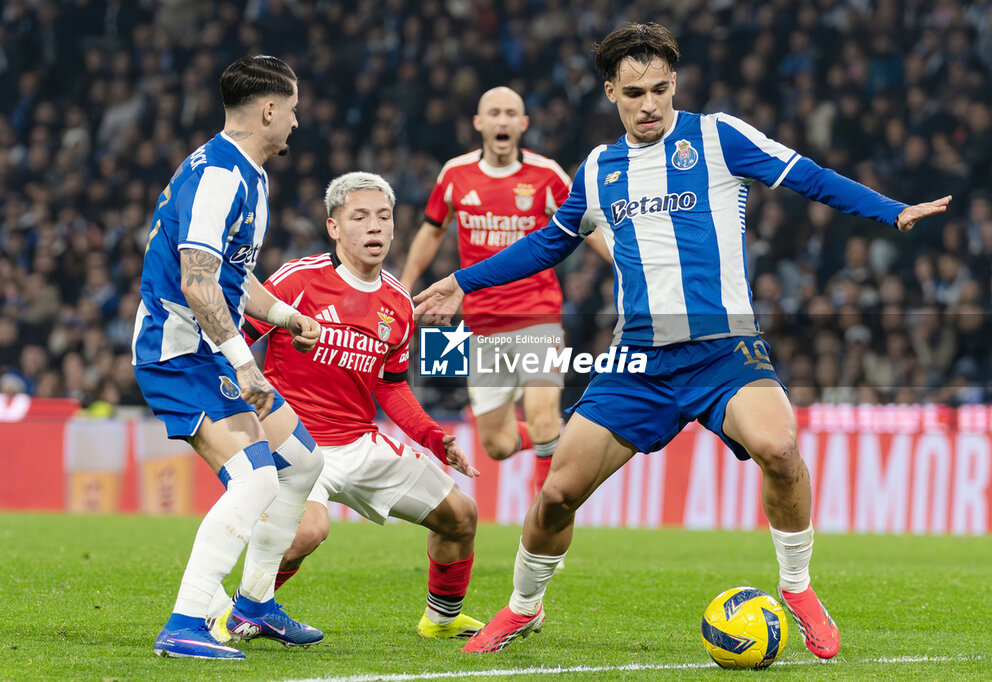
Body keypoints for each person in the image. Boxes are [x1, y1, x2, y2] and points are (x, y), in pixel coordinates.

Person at [414, 23, 951, 658]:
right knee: (558, 492)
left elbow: (807, 175)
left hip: (724, 350)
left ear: (676, 85)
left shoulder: (718, 136)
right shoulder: (597, 169)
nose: (649, 105)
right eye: (635, 92)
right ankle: (522, 607)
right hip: (637, 359)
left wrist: (890, 210)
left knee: (780, 446)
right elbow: (546, 244)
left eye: (661, 89)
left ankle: (799, 589)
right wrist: (461, 282)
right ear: (611, 91)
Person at [226, 171, 484, 640]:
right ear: (334, 227)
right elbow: (234, 346)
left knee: (461, 516)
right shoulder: (297, 280)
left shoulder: (398, 303)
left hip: (360, 442)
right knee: (306, 532)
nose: (375, 228)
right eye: (360, 217)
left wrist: (432, 437)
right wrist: (251, 415)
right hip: (298, 445)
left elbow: (391, 386)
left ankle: (441, 620)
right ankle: (242, 612)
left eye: (384, 217)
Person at [132, 55, 326, 660]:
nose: (296, 122)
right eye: (292, 110)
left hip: (208, 349)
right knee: (255, 477)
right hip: (180, 353)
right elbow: (197, 282)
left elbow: (232, 279)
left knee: (301, 462)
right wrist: (244, 363)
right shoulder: (220, 177)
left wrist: (284, 315)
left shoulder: (248, 173)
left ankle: (254, 606)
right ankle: (185, 623)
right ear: (269, 109)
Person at [401, 87, 609, 498]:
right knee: (495, 445)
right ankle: (561, 437)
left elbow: (588, 225)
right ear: (479, 123)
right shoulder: (455, 174)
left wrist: (627, 265)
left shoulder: (547, 175)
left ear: (523, 124)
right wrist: (405, 284)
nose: (502, 121)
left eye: (510, 113)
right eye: (493, 113)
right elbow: (432, 229)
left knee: (542, 414)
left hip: (538, 314)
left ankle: (543, 514)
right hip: (479, 325)